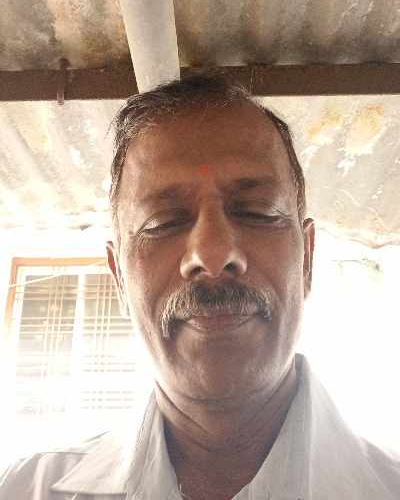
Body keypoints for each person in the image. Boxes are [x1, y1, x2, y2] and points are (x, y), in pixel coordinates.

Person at [1, 75, 399, 499]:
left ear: (306, 260)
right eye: (163, 222)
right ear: (119, 278)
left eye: (258, 211)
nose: (211, 255)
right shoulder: (25, 489)